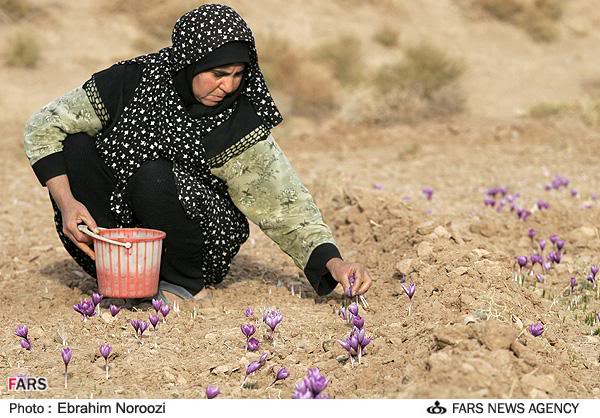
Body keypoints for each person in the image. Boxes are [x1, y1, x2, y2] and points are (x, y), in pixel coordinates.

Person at [23, 4, 373, 303]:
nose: (229, 85)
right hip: (117, 238)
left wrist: (334, 262)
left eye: (238, 74)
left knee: (154, 175)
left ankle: (183, 286)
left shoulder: (236, 119)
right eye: (219, 74)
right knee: (76, 146)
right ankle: (124, 277)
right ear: (189, 62)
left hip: (196, 244)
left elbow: (285, 204)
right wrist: (68, 204)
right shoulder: (131, 82)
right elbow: (43, 125)